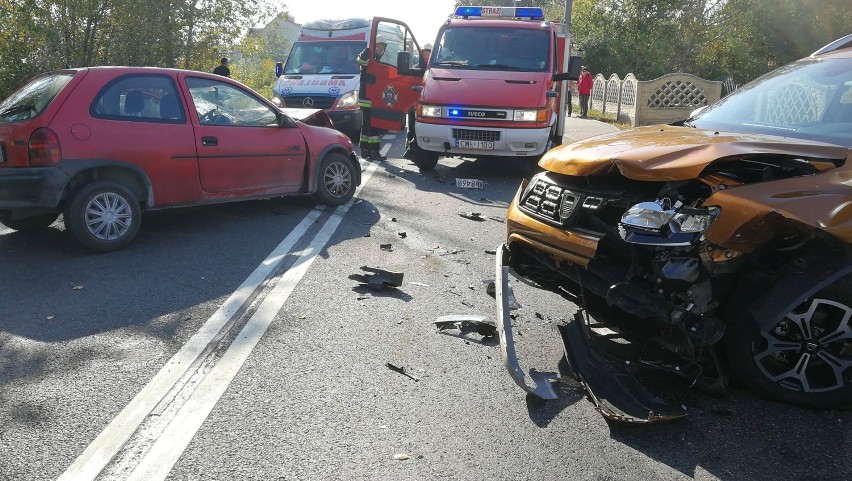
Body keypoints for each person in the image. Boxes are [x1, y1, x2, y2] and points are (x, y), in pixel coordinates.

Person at [355, 42, 388, 161]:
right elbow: (362, 61)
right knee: (373, 124)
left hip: (369, 97)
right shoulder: (368, 58)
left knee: (366, 125)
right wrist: (368, 50)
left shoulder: (377, 60)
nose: (380, 50)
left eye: (382, 49)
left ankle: (364, 150)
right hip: (368, 98)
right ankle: (374, 151)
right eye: (378, 47)